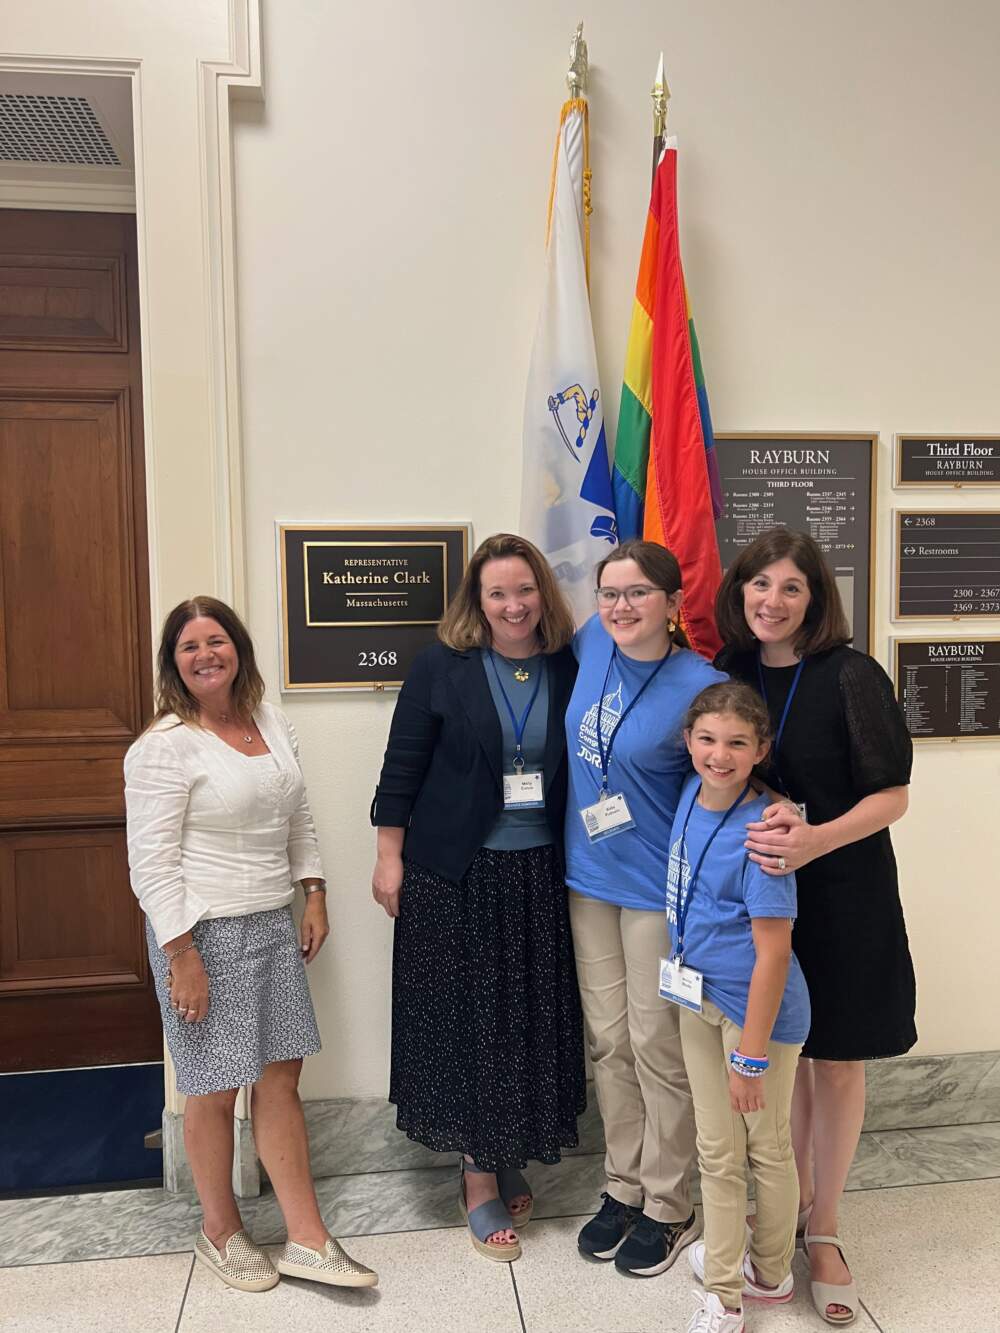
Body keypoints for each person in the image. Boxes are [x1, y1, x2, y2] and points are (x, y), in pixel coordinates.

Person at [125, 596, 376, 1293]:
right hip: (200, 933)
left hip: (270, 921)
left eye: (217, 639)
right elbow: (150, 863)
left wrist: (315, 889)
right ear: (172, 663)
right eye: (188, 645)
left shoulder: (269, 721)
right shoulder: (163, 745)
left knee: (279, 1079)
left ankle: (307, 1237)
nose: (206, 653)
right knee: (213, 1085)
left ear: (238, 648)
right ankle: (219, 1229)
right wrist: (181, 955)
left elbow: (297, 813)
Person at [715, 527, 916, 1326]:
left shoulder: (851, 675)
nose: (772, 600)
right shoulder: (724, 672)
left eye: (790, 587)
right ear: (739, 591)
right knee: (778, 1057)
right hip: (754, 901)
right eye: (759, 584)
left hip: (842, 891)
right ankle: (780, 1211)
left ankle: (823, 1226)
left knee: (831, 1060)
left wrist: (815, 838)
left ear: (814, 598)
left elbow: (893, 794)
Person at [370, 533, 586, 1264]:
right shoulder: (442, 665)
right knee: (468, 1023)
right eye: (498, 593)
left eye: (524, 589)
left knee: (524, 1019)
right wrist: (388, 856)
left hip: (541, 873)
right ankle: (478, 1169)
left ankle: (509, 1141)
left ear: (542, 594)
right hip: (455, 873)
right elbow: (402, 765)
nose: (513, 604)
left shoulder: (569, 662)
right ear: (478, 600)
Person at [565, 539, 727, 1278]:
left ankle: (670, 1201)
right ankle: (622, 1185)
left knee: (657, 1043)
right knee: (608, 1041)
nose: (620, 606)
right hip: (588, 879)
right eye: (609, 592)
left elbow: (721, 783)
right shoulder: (591, 641)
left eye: (636, 593)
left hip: (658, 891)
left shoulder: (701, 683)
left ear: (670, 600)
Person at [664, 682, 810, 1333]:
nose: (718, 754)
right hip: (697, 1000)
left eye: (736, 743)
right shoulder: (689, 796)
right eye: (707, 738)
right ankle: (731, 1273)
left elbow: (774, 954)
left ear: (760, 749)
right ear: (689, 740)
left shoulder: (765, 832)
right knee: (717, 1149)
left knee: (765, 1146)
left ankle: (753, 1282)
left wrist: (750, 1056)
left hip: (759, 1017)